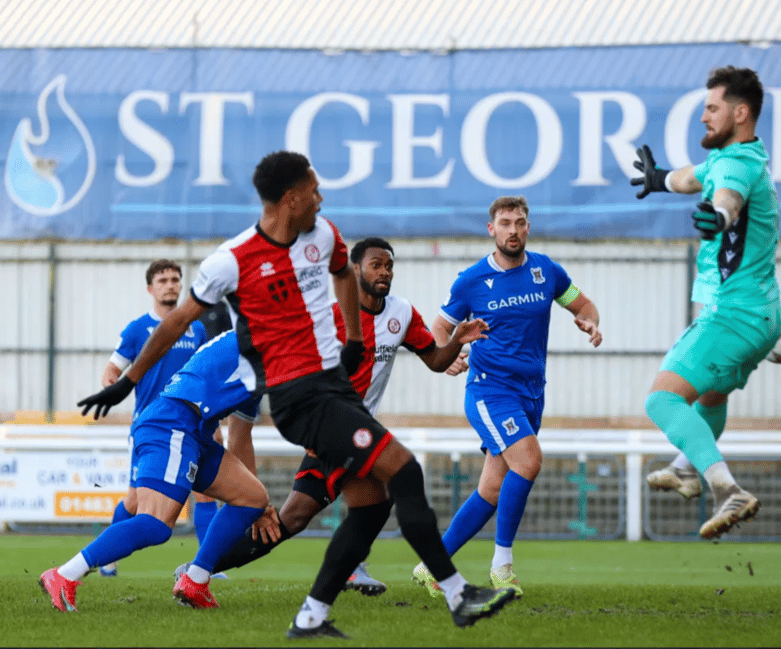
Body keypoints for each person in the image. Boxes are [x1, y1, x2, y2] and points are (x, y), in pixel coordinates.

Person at [76, 151, 517, 639]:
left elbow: (343, 275)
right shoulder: (231, 259)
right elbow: (179, 319)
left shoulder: (325, 237)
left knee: (361, 508)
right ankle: (457, 593)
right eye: (313, 190)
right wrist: (128, 380)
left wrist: (352, 341)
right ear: (291, 198)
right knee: (403, 470)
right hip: (301, 399)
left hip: (334, 396)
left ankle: (306, 614)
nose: (321, 198)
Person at [204, 236, 488, 592]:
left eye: (389, 266)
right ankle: (447, 585)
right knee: (367, 493)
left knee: (310, 515)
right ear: (355, 271)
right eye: (376, 265)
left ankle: (205, 568)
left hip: (358, 431)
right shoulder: (330, 315)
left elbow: (435, 361)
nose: (384, 272)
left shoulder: (401, 313)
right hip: (331, 428)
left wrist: (457, 341)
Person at [411, 195, 603, 599]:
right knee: (530, 460)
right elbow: (438, 328)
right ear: (491, 229)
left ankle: (432, 566)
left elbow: (581, 303)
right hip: (489, 390)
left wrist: (589, 320)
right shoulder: (472, 281)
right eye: (505, 223)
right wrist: (444, 358)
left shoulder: (545, 272)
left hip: (532, 393)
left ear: (527, 227)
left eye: (519, 222)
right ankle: (502, 567)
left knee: (492, 489)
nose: (512, 230)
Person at [630, 65, 781, 539]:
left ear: (740, 113)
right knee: (711, 397)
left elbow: (728, 201)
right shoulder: (737, 157)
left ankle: (726, 489)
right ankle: (684, 467)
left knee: (661, 400)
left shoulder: (736, 168)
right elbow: (691, 178)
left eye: (711, 108)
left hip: (732, 314)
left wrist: (719, 218)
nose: (703, 117)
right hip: (762, 316)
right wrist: (658, 179)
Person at [40, 330, 272, 612]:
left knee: (253, 498)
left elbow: (240, 435)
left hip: (195, 433)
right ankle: (64, 574)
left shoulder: (265, 356)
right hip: (172, 424)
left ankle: (195, 581)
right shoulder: (258, 339)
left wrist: (264, 509)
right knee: (156, 524)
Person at [97, 259, 209, 577]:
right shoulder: (137, 330)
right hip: (150, 426)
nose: (171, 284)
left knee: (204, 490)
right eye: (163, 280)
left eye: (175, 279)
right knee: (135, 500)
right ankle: (107, 555)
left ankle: (206, 565)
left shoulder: (196, 328)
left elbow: (204, 374)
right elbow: (111, 371)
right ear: (151, 289)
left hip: (191, 425)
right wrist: (112, 389)